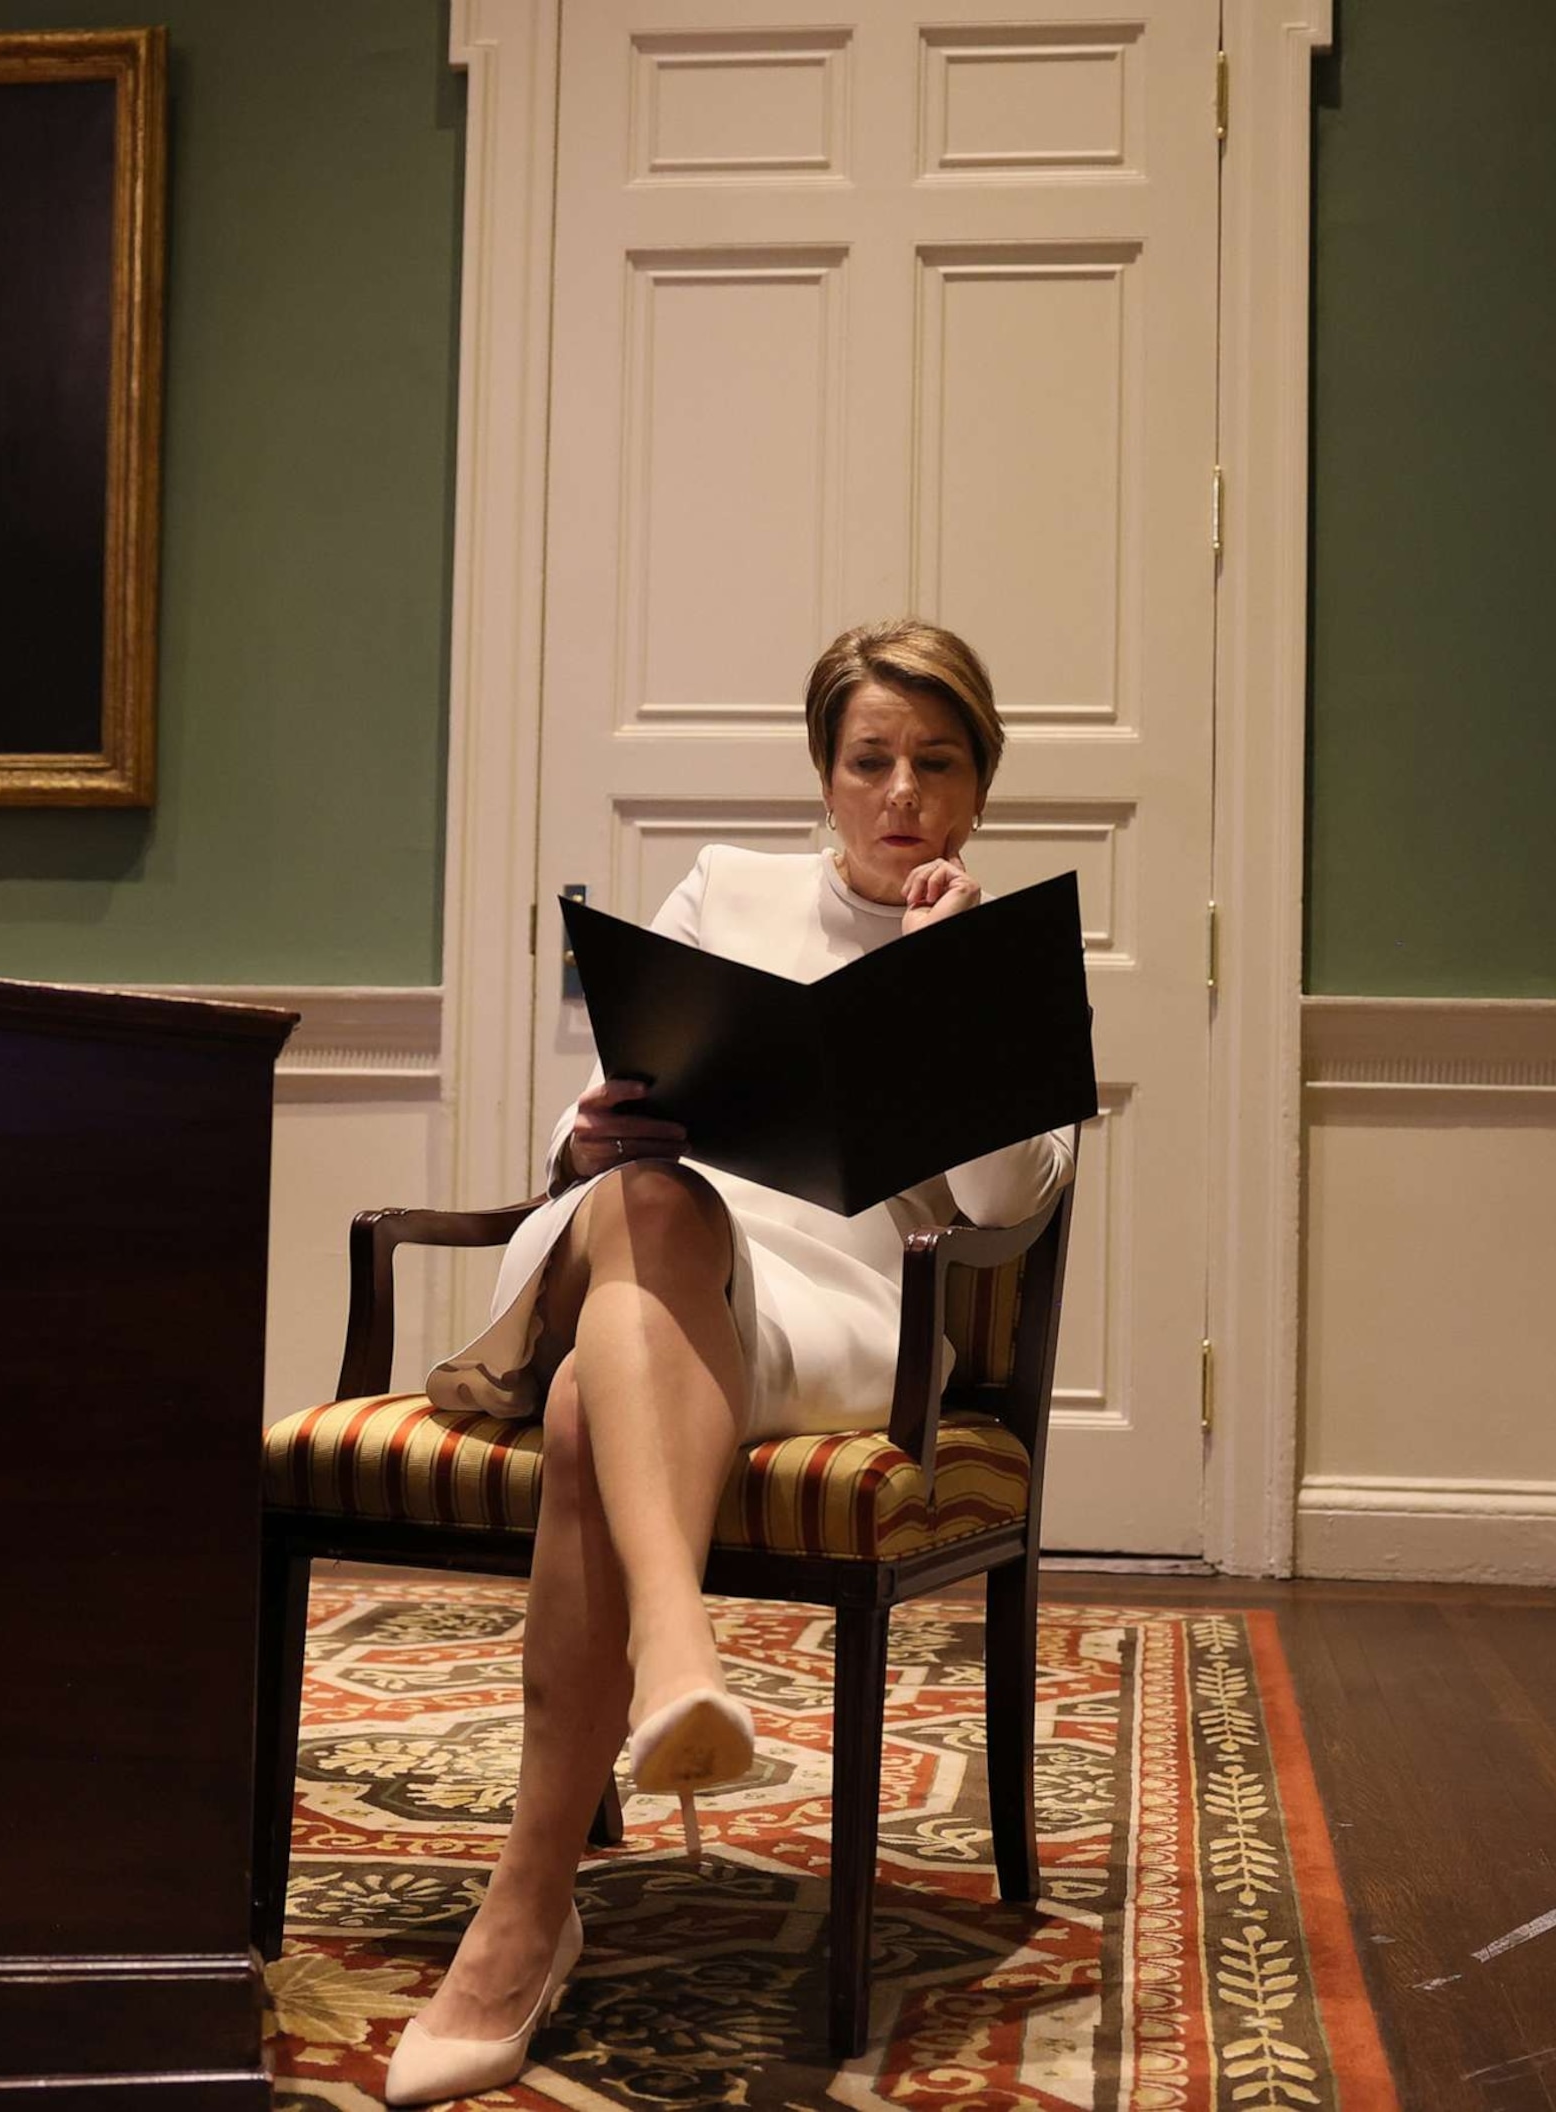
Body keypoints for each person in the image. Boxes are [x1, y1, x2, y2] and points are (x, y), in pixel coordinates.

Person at [381, 619, 1078, 2105]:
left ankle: (528, 1916)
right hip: (648, 1236)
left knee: (587, 1402)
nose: (901, 793)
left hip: (833, 1312)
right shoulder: (727, 891)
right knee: (646, 1199)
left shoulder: (1000, 950)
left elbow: (1010, 1210)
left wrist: (949, 982)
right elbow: (588, 1121)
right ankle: (679, 1655)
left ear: (978, 788)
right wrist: (589, 1137)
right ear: (826, 780)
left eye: (935, 765)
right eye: (870, 761)